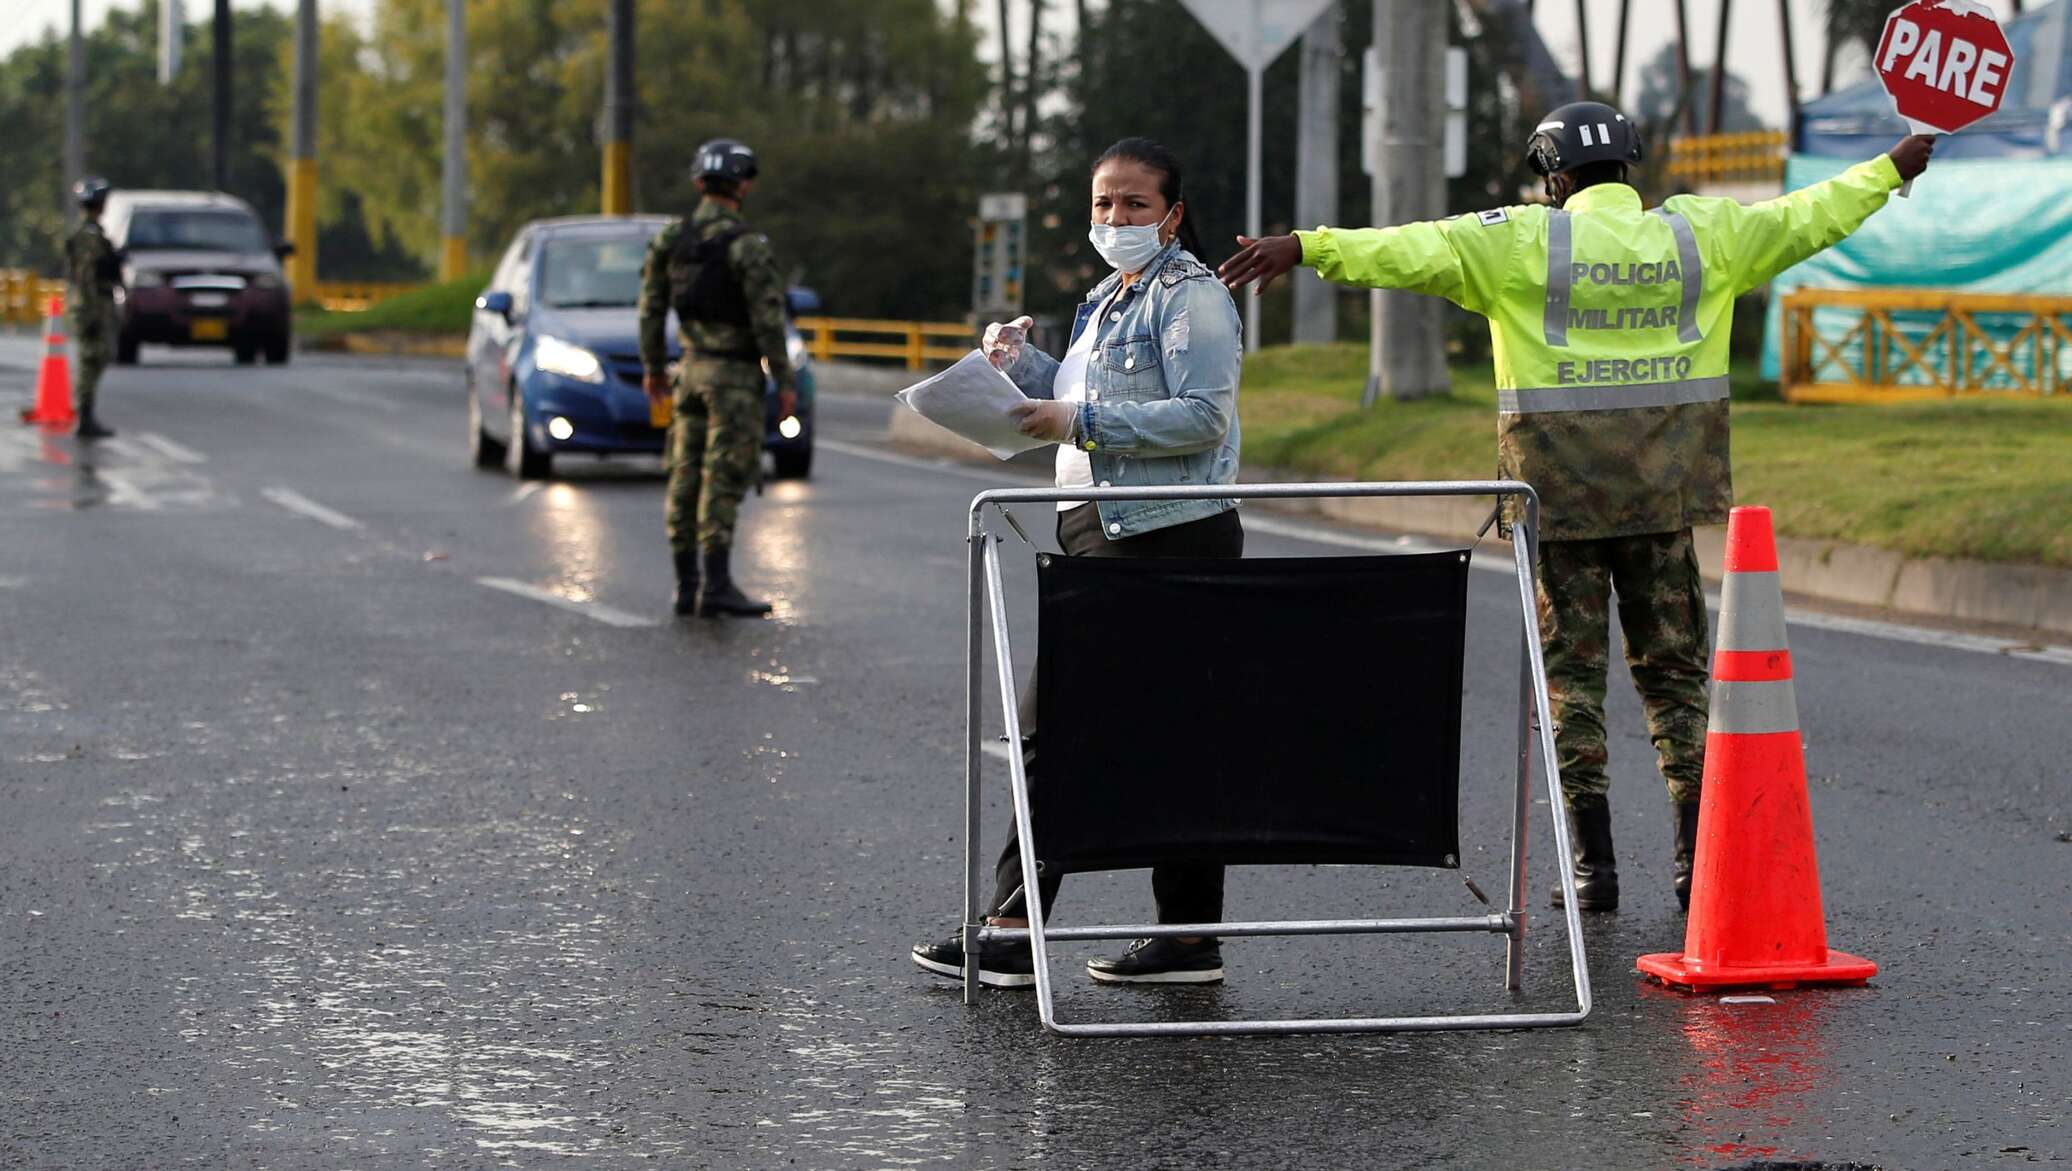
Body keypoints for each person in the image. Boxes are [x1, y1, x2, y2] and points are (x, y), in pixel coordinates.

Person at [1219, 102, 1935, 913]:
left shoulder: (1520, 240)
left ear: (1554, 178)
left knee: (1573, 683)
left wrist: (1309, 247)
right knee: (1676, 684)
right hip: (1662, 501)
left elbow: (1410, 249)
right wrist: (1891, 167)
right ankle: (1697, 867)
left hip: (1555, 502)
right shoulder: (1703, 236)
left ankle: (1593, 871)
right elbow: (1807, 216)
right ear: (1629, 167)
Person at [912, 137, 1245, 989]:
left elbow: (1202, 418)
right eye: (1103, 203)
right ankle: (1188, 937)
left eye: (1135, 204)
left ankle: (1017, 925)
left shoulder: (1194, 298)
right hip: (1100, 526)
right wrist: (1021, 369)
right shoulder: (1109, 295)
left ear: (1173, 214)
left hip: (1164, 532)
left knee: (1052, 725)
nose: (1116, 218)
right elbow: (1087, 392)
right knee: (1163, 737)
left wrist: (1077, 421)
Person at [637, 137, 799, 618]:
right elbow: (769, 320)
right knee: (723, 477)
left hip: (687, 372)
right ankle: (718, 584)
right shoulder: (747, 247)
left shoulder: (672, 239)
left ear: (697, 182)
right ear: (743, 186)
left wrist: (652, 369)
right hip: (733, 380)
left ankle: (686, 585)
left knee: (684, 474)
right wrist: (785, 380)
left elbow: (649, 308)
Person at [64, 177, 121, 441]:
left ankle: (86, 413)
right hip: (92, 303)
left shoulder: (90, 232)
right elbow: (88, 274)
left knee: (97, 356)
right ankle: (84, 416)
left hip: (92, 302)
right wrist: (91, 311)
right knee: (93, 357)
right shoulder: (88, 235)